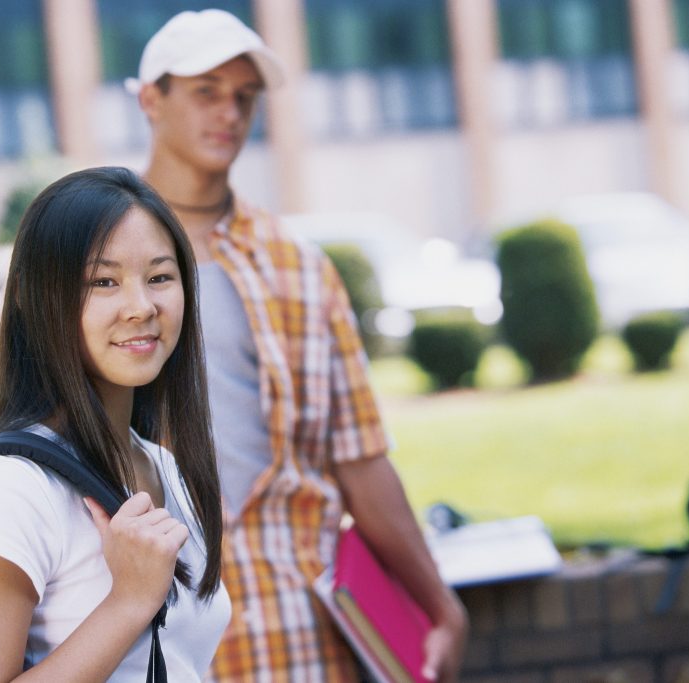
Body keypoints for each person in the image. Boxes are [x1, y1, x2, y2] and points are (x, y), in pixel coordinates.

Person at [128, 10, 469, 682]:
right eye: (207, 90)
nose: (230, 111)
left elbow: (361, 459)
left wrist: (441, 603)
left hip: (300, 627)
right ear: (151, 100)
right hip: (158, 627)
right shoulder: (83, 256)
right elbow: (16, 431)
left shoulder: (298, 266)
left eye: (244, 96)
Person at [0, 166, 229, 680]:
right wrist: (127, 603)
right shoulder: (12, 487)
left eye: (160, 276)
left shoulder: (162, 464)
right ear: (34, 298)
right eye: (103, 281)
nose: (141, 307)